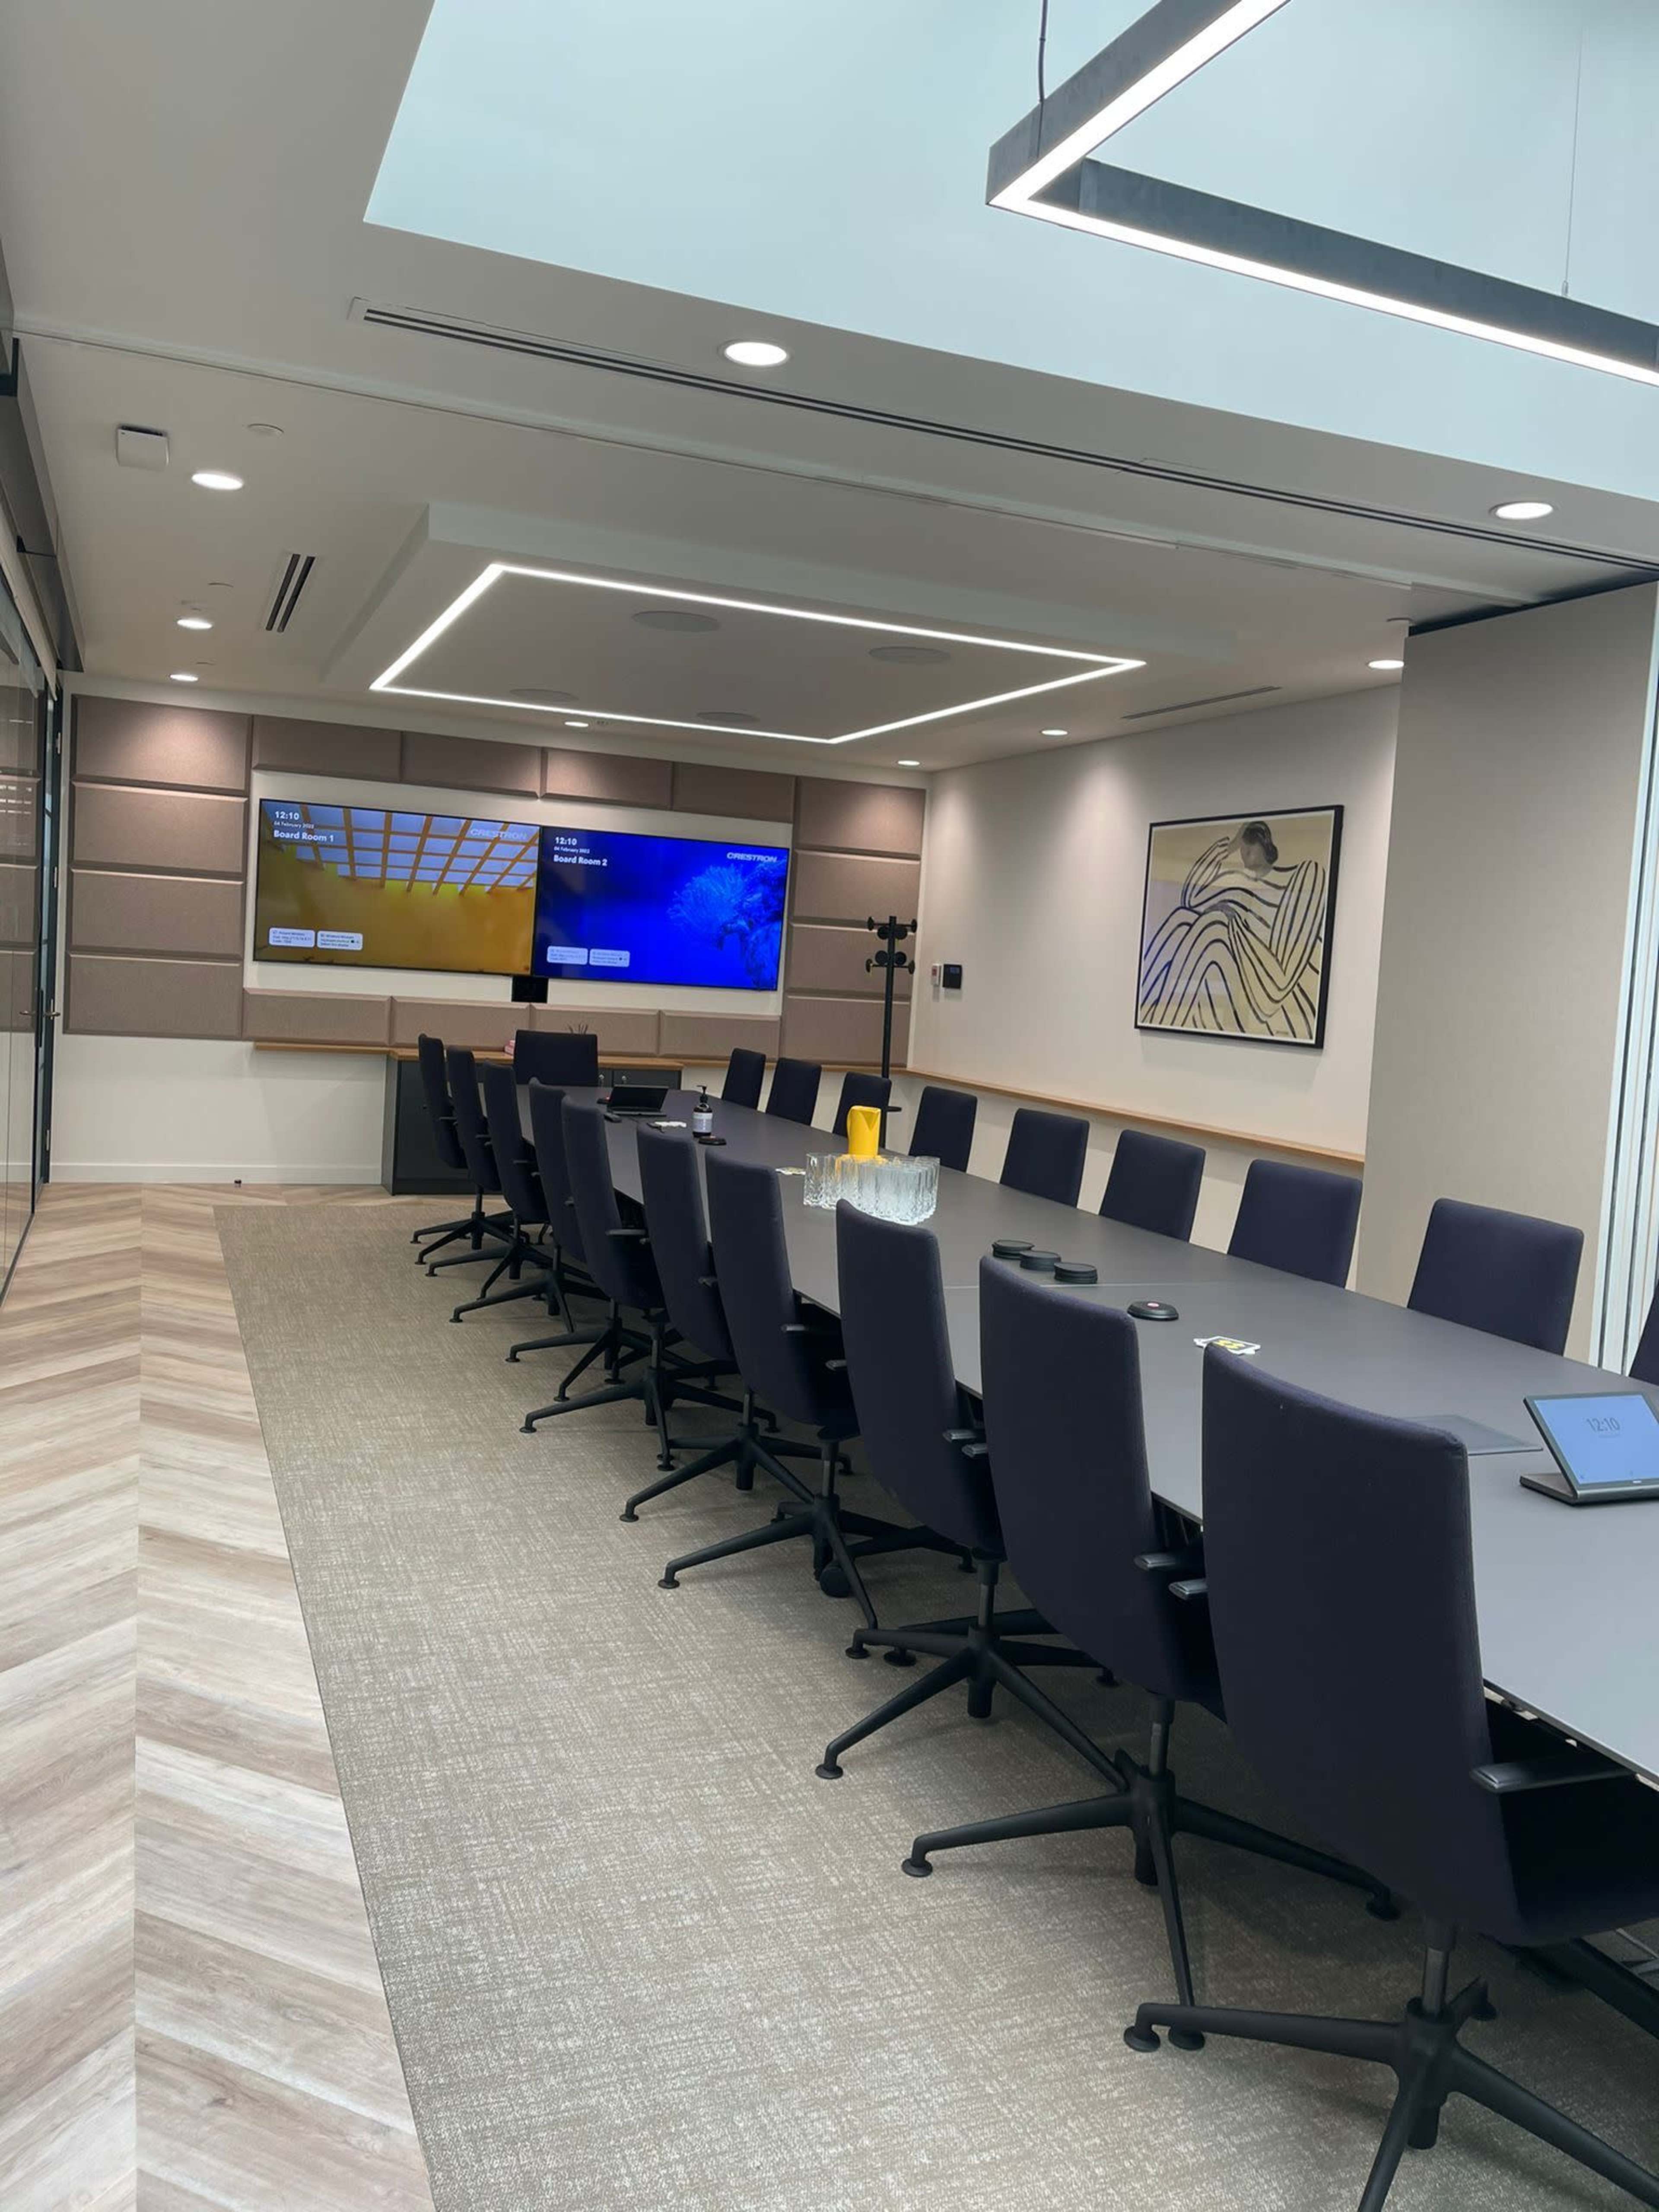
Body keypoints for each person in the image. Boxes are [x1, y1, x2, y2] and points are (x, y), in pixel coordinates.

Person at [1138, 819, 1327, 1039]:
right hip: (1238, 982)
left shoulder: (1306, 876)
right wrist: (1229, 847)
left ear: (1265, 844)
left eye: (1250, 843)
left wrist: (1233, 921)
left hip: (1278, 1002)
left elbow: (1275, 990)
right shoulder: (1239, 883)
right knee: (1182, 919)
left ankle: (1162, 1032)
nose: (1244, 852)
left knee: (1215, 924)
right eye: (1243, 846)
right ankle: (1153, 1021)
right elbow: (1189, 899)